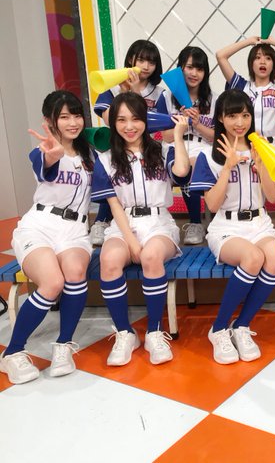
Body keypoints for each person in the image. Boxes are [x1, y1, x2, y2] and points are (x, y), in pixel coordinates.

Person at [0, 91, 93, 384]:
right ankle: (12, 353)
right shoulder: (41, 152)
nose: (72, 122)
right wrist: (52, 156)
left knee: (75, 273)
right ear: (49, 121)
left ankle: (63, 345)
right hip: (39, 225)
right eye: (64, 117)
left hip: (75, 230)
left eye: (76, 115)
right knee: (53, 282)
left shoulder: (91, 155)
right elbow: (46, 169)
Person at [92, 92, 190, 367]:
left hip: (159, 223)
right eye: (121, 120)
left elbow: (182, 172)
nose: (129, 126)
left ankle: (154, 332)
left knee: (151, 255)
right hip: (123, 223)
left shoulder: (162, 150)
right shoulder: (105, 159)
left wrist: (178, 136)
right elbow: (114, 207)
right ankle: (125, 333)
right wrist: (132, 242)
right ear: (113, 123)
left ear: (146, 121)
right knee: (109, 259)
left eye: (136, 119)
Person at [190, 90, 275, 364]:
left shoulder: (262, 148)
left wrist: (261, 165)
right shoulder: (208, 156)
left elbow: (274, 198)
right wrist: (227, 167)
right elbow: (211, 204)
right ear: (221, 118)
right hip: (226, 227)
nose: (240, 122)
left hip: (260, 222)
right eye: (232, 116)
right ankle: (219, 329)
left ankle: (241, 325)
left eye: (245, 115)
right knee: (253, 258)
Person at [91, 40, 165, 246]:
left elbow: (149, 123)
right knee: (116, 176)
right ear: (131, 59)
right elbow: (109, 119)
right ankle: (101, 221)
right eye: (141, 60)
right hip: (117, 145)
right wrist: (125, 94)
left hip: (146, 147)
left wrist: (134, 94)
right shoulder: (113, 87)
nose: (146, 66)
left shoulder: (160, 93)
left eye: (151, 62)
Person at [156, 46, 216, 245]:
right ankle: (195, 222)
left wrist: (197, 124)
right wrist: (182, 121)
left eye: (199, 69)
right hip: (176, 146)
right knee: (186, 167)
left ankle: (218, 221)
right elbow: (165, 136)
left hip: (204, 147)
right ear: (180, 68)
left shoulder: (213, 99)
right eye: (189, 67)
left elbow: (216, 137)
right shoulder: (166, 97)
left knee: (205, 162)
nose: (194, 73)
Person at [216, 36, 275, 155]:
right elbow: (221, 56)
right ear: (251, 63)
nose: (263, 61)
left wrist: (273, 42)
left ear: (274, 64)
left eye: (268, 58)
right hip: (248, 147)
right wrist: (248, 42)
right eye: (257, 58)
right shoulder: (241, 86)